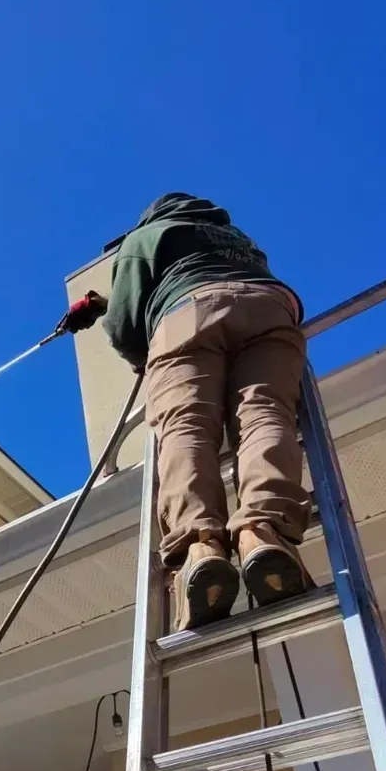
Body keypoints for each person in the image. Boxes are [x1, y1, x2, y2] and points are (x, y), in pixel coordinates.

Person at [96, 192, 313, 632]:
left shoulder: (146, 236)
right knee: (266, 412)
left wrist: (144, 355)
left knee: (186, 426)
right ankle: (262, 534)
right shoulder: (235, 236)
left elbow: (123, 324)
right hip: (269, 307)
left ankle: (201, 548)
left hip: (187, 311)